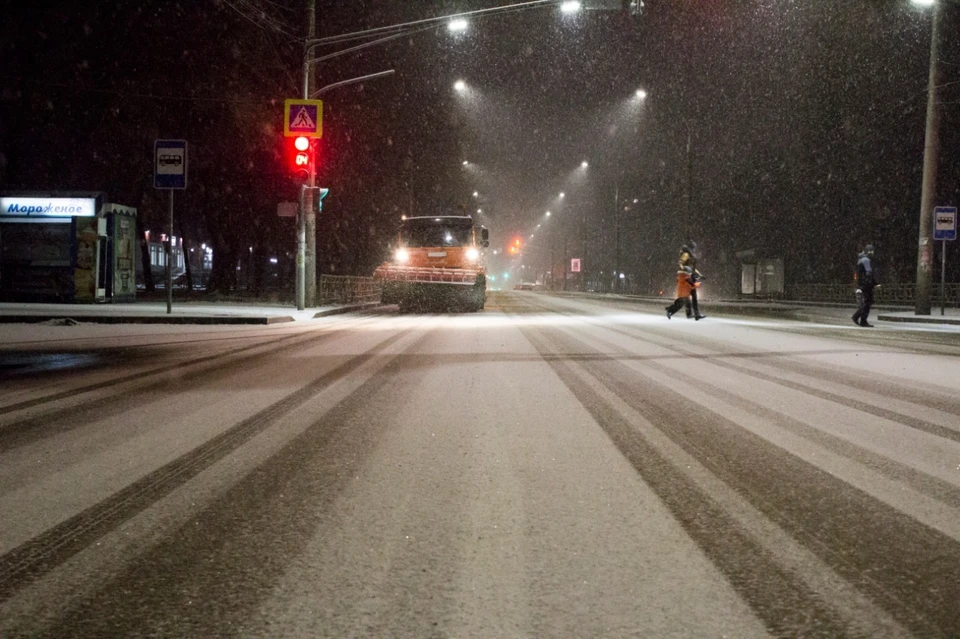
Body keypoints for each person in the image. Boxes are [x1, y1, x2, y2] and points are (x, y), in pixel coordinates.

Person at [852, 244, 879, 327]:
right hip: (866, 285)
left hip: (863, 284)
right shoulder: (866, 260)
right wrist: (874, 283)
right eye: (871, 251)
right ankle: (861, 319)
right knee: (868, 302)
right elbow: (869, 273)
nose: (872, 253)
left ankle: (857, 317)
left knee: (867, 302)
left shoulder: (861, 259)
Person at [677, 243, 706, 320]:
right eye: (693, 248)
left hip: (690, 276)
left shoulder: (690, 256)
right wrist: (684, 269)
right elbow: (680, 263)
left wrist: (700, 275)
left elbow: (692, 268)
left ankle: (694, 314)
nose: (694, 250)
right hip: (686, 276)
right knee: (689, 296)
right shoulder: (686, 254)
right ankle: (691, 314)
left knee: (693, 296)